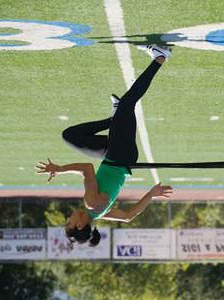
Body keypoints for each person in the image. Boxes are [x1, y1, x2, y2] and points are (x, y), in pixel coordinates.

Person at [36, 44, 174, 247]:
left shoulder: (102, 213)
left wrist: (151, 194)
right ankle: (160, 57)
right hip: (118, 155)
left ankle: (116, 117)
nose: (68, 219)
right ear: (80, 225)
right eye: (69, 223)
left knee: (71, 136)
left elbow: (128, 216)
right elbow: (87, 168)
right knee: (129, 103)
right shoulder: (91, 203)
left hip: (114, 156)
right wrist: (59, 170)